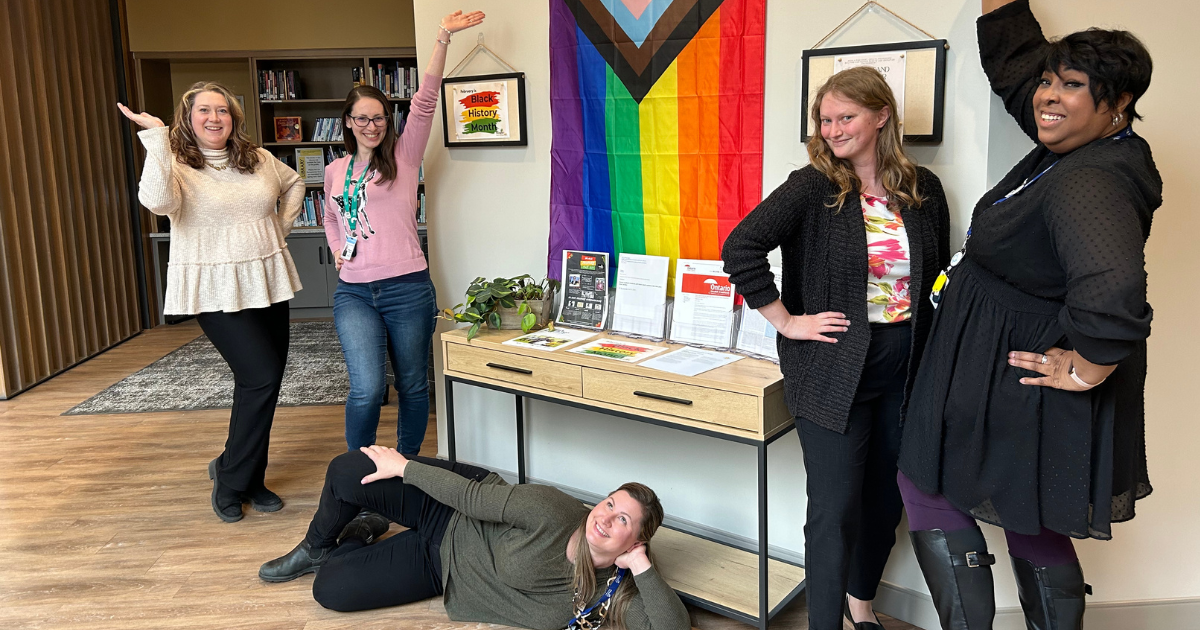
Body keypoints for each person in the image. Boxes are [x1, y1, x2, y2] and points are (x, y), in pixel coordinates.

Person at [896, 1, 1159, 628]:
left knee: (930, 485)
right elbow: (1020, 70)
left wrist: (1090, 365)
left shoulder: (1090, 180)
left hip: (1010, 368)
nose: (1049, 95)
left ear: (1117, 102)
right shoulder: (1079, 138)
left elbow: (1114, 290)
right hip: (991, 358)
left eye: (1072, 86)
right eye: (1050, 79)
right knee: (1026, 507)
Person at [722, 67, 951, 630]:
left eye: (845, 117)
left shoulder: (922, 190)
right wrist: (787, 321)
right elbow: (741, 246)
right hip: (832, 366)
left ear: (882, 116)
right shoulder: (813, 186)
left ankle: (860, 605)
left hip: (906, 364)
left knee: (885, 500)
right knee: (834, 508)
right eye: (825, 120)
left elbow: (939, 278)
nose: (832, 129)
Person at [118, 82, 305, 524]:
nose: (214, 118)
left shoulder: (257, 158)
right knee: (258, 376)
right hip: (212, 286)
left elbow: (294, 181)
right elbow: (157, 202)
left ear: (233, 118)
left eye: (223, 110)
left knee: (264, 382)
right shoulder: (176, 163)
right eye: (204, 110)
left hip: (265, 278)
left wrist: (280, 230)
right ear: (189, 117)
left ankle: (250, 476)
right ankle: (229, 477)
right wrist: (156, 138)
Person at [257, 447, 691, 630]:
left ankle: (362, 529)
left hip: (441, 569)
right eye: (610, 504)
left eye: (624, 522)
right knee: (350, 470)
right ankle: (314, 546)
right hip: (455, 510)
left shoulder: (615, 592)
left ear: (635, 544)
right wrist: (406, 467)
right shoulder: (553, 511)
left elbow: (671, 628)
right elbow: (470, 496)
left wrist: (645, 569)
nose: (606, 518)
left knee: (329, 589)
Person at [323, 10, 483, 456]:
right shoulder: (334, 170)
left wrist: (443, 37)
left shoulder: (405, 156)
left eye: (378, 118)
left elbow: (426, 100)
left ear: (387, 121)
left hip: (407, 289)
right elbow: (332, 218)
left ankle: (406, 466)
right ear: (348, 121)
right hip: (354, 292)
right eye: (362, 119)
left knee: (413, 383)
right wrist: (338, 248)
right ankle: (359, 474)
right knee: (367, 388)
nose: (371, 126)